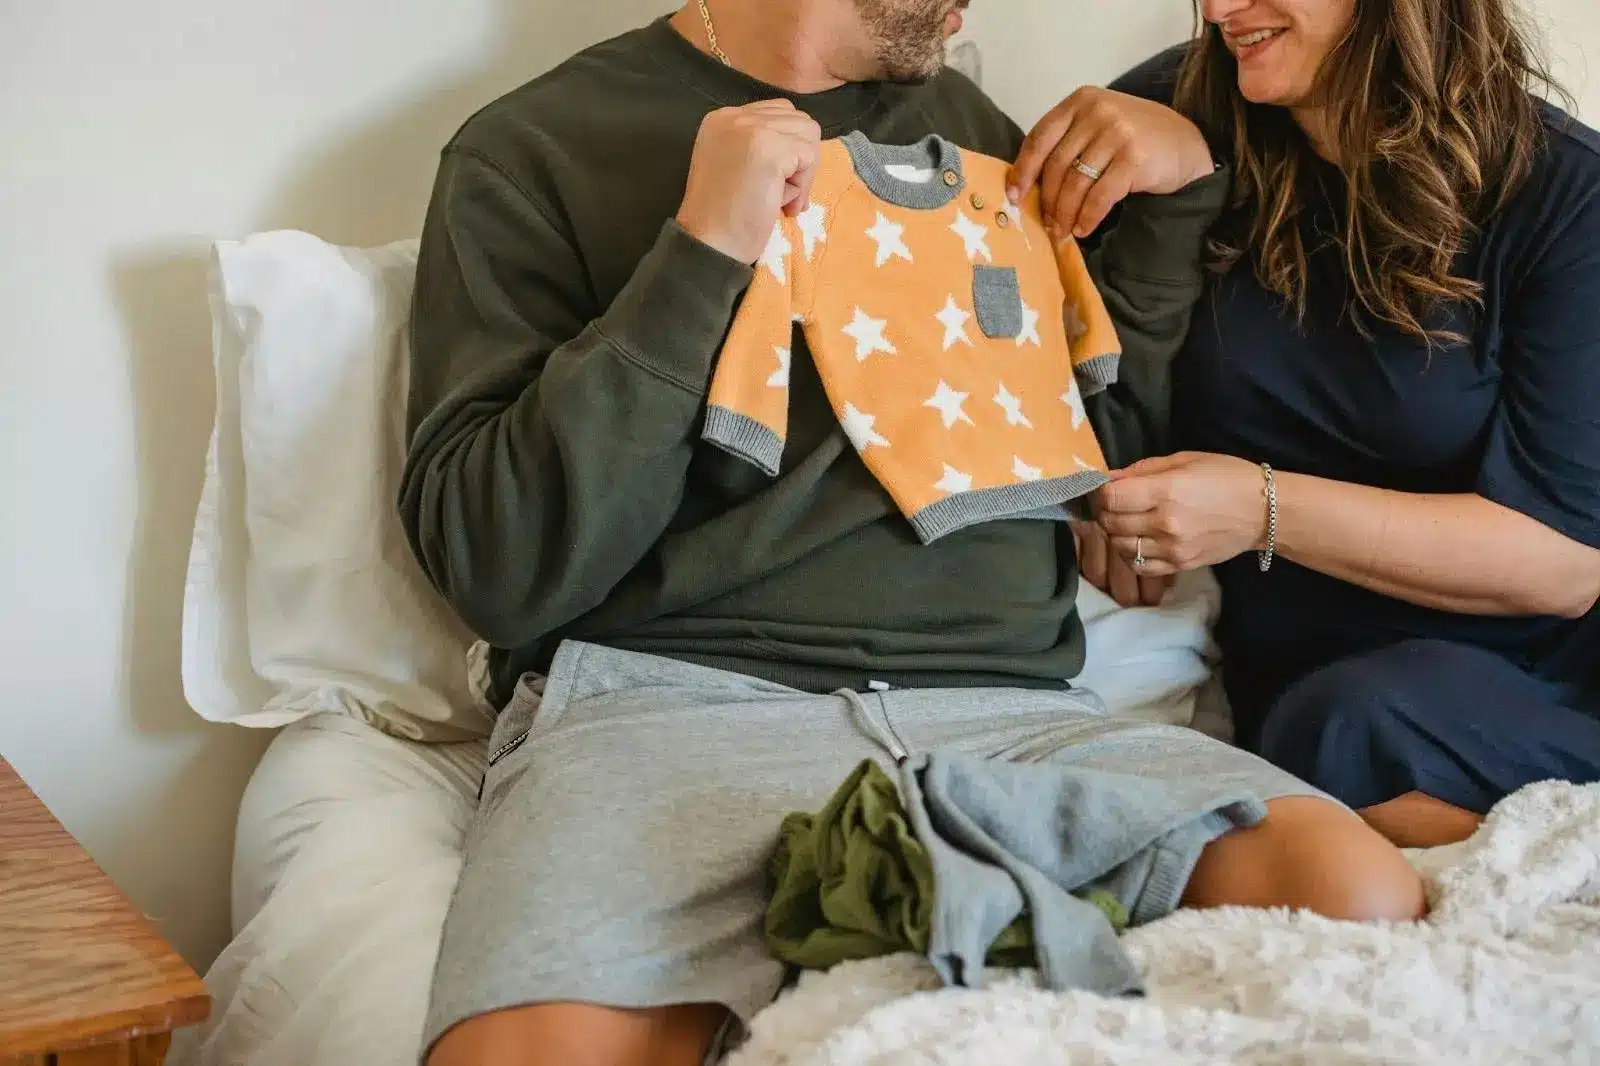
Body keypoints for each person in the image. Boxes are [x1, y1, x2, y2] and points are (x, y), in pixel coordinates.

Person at [400, 3, 1425, 1064]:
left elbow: (1082, 462)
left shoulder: (984, 135)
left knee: (1353, 888)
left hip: (1006, 722)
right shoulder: (533, 149)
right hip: (667, 717)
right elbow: (497, 567)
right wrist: (701, 246)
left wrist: (1177, 198)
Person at [1014, 0, 1600, 851]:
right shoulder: (1168, 120)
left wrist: (1260, 508)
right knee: (1320, 728)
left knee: (1346, 726)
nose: (1219, 9)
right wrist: (1088, 484)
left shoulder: (1564, 199)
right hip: (1286, 672)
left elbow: (1563, 563)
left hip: (1525, 671)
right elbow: (1038, 345)